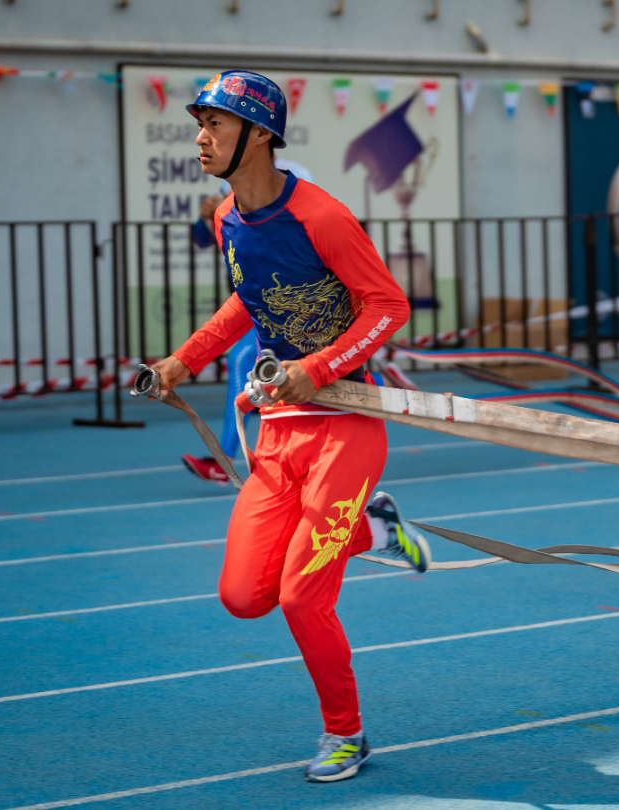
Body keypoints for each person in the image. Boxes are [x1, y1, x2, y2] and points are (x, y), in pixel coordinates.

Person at [145, 70, 429, 784]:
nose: (201, 138)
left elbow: (389, 306)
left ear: (260, 134)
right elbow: (249, 301)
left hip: (349, 425)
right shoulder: (225, 217)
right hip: (280, 430)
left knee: (304, 596)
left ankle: (347, 734)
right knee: (245, 597)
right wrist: (184, 360)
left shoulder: (324, 217)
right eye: (199, 124)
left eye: (215, 125)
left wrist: (324, 368)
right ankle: (377, 529)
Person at [180, 184, 262, 485]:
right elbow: (202, 239)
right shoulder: (226, 191)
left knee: (242, 362)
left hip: (290, 302)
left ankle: (225, 459)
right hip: (253, 303)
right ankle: (226, 460)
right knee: (246, 365)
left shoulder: (287, 182)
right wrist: (204, 219)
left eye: (215, 133)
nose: (205, 140)